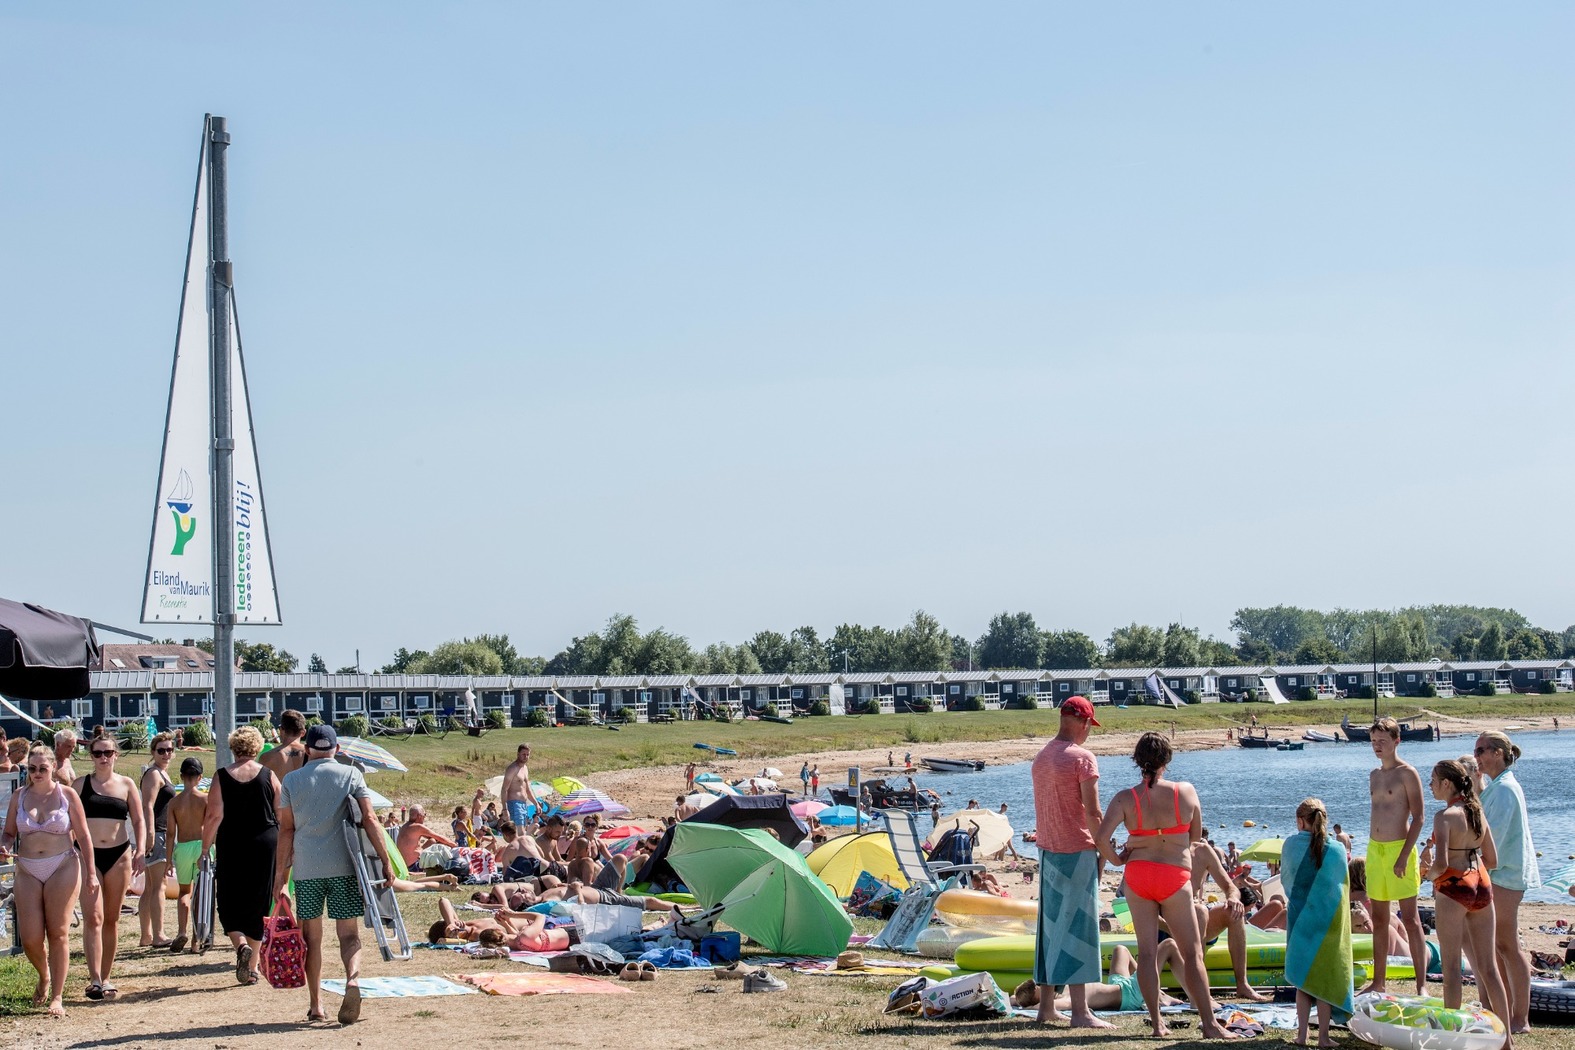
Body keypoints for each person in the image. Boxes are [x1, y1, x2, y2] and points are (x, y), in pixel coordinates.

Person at [1096, 732, 1233, 1040]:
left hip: (1139, 874)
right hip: (1173, 875)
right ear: (1167, 759)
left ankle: (1157, 1024)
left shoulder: (1124, 797)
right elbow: (1195, 837)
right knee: (1193, 953)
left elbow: (1101, 839)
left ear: (1136, 761)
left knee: (1145, 953)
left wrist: (1118, 860)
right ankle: (1210, 1025)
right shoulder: (1185, 792)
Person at [274, 723, 395, 1025]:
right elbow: (369, 818)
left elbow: (286, 830)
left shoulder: (291, 780)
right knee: (349, 934)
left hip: (306, 870)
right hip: (343, 866)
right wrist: (385, 859)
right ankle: (352, 980)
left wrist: (280, 876)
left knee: (311, 939)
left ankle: (316, 1005)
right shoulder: (351, 774)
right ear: (336, 749)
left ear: (308, 749)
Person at [1029, 696, 1114, 1030]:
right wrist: (1107, 848)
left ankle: (1046, 1007)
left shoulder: (1042, 757)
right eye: (1089, 727)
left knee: (1051, 930)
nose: (1089, 733)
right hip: (1077, 850)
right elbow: (1093, 813)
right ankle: (1080, 1012)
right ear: (1081, 722)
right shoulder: (1082, 759)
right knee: (1079, 928)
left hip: (1048, 850)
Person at [1422, 759, 1512, 1043]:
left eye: (1433, 780)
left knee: (1451, 967)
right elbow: (1493, 860)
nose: (1430, 785)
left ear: (1447, 783)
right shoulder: (1477, 812)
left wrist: (1425, 876)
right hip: (1482, 884)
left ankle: (1451, 1038)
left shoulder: (1445, 816)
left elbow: (1442, 863)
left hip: (1454, 887)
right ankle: (1507, 1040)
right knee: (1489, 968)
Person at [3, 744, 94, 1017]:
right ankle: (43, 975)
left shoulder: (66, 795)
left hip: (63, 864)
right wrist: (5, 844)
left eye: (43, 768)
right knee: (30, 938)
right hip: (28, 868)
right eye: (32, 769)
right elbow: (8, 833)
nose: (37, 773)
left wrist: (91, 873)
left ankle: (57, 995)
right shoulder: (19, 796)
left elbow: (84, 835)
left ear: (53, 767)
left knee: (58, 932)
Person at [200, 726, 279, 985]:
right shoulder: (269, 775)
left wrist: (204, 848)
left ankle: (241, 944)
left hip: (232, 842)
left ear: (233, 748)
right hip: (265, 842)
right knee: (259, 900)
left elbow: (214, 816)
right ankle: (253, 968)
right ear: (257, 748)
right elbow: (281, 813)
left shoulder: (221, 776)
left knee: (229, 898)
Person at [1475, 731, 1538, 1033]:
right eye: (1475, 751)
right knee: (1497, 944)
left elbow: (1492, 838)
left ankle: (1520, 1017)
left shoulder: (1504, 789)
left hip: (1507, 873)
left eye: (1482, 750)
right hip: (1501, 872)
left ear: (1498, 753)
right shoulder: (1497, 787)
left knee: (1506, 943)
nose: (1477, 757)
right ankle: (1504, 1011)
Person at [75, 735, 145, 1001]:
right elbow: (69, 819)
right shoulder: (80, 784)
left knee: (112, 919)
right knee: (93, 917)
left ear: (116, 754)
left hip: (119, 855)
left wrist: (141, 849)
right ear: (91, 756)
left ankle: (106, 977)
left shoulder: (127, 785)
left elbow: (139, 820)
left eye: (108, 752)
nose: (103, 758)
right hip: (87, 856)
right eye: (98, 753)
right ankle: (93, 979)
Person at [1361, 717, 1427, 994]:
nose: (1377, 746)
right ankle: (1378, 982)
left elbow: (1420, 818)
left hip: (1400, 849)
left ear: (1396, 741)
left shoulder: (1407, 773)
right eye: (1374, 741)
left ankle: (1422, 984)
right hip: (1375, 850)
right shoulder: (1374, 775)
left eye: (1383, 741)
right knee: (1379, 918)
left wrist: (1404, 855)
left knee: (1410, 920)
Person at [1282, 799, 1353, 1049]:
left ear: (1301, 821)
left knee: (1304, 981)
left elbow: (1287, 882)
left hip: (1302, 920)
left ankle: (1302, 1036)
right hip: (1329, 923)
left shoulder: (1291, 845)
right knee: (1324, 982)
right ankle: (1323, 1037)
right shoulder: (1336, 850)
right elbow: (1341, 890)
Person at [1013, 943, 1185, 1013]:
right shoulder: (1065, 999)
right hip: (1130, 994)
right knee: (1169, 945)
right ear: (1038, 996)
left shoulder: (1057, 990)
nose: (1044, 983)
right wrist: (1033, 1006)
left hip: (1119, 984)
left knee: (1120, 950)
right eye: (1039, 986)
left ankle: (1153, 991)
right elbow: (1042, 1009)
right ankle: (1196, 998)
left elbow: (1016, 999)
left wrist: (1016, 1000)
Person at [138, 731, 178, 947]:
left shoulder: (161, 773)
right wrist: (151, 833)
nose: (166, 754)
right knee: (158, 886)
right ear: (153, 752)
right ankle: (159, 934)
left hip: (159, 832)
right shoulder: (154, 774)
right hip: (158, 833)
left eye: (169, 750)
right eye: (161, 750)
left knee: (150, 886)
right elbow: (147, 805)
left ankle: (146, 935)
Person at [166, 757, 209, 953]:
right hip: (202, 847)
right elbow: (211, 827)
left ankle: (181, 931)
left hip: (182, 847)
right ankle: (196, 939)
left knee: (184, 892)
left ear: (181, 776)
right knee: (201, 895)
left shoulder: (174, 802)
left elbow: (170, 833)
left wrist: (168, 860)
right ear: (200, 777)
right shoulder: (205, 799)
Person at [258, 709, 309, 782]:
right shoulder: (312, 755)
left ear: (281, 730)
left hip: (281, 793)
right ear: (303, 732)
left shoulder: (267, 757)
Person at [500, 743, 542, 829]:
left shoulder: (525, 769)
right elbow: (504, 789)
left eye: (527, 755)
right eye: (523, 754)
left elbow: (527, 789)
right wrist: (505, 809)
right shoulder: (512, 768)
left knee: (522, 832)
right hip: (514, 804)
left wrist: (536, 804)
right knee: (520, 832)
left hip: (523, 804)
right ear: (518, 754)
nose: (525, 757)